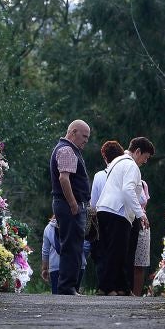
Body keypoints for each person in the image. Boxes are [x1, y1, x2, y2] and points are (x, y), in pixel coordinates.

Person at [94, 137, 155, 296]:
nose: (145, 161)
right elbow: (128, 190)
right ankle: (107, 288)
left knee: (112, 251)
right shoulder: (131, 165)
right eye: (145, 157)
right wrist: (140, 214)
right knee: (117, 252)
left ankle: (122, 287)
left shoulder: (117, 162)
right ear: (138, 151)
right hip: (118, 212)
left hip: (105, 208)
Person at [49, 120, 92, 295]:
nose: (86, 141)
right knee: (72, 246)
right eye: (84, 136)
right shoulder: (67, 149)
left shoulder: (67, 149)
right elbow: (64, 178)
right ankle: (67, 287)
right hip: (69, 205)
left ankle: (69, 287)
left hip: (66, 204)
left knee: (74, 245)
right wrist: (73, 203)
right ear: (73, 132)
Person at [89, 140, 125, 291]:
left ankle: (104, 286)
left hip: (102, 216)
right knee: (118, 251)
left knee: (102, 252)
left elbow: (93, 202)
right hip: (121, 216)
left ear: (105, 157)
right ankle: (119, 286)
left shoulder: (99, 176)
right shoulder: (124, 173)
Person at [41, 216, 90, 294]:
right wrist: (82, 256)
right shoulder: (78, 223)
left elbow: (45, 250)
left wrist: (45, 268)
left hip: (56, 267)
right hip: (77, 265)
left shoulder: (49, 228)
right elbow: (86, 244)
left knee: (58, 297)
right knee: (75, 297)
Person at [131, 180, 151, 296]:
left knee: (140, 263)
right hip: (128, 221)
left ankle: (137, 295)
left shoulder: (143, 184)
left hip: (142, 224)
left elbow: (144, 205)